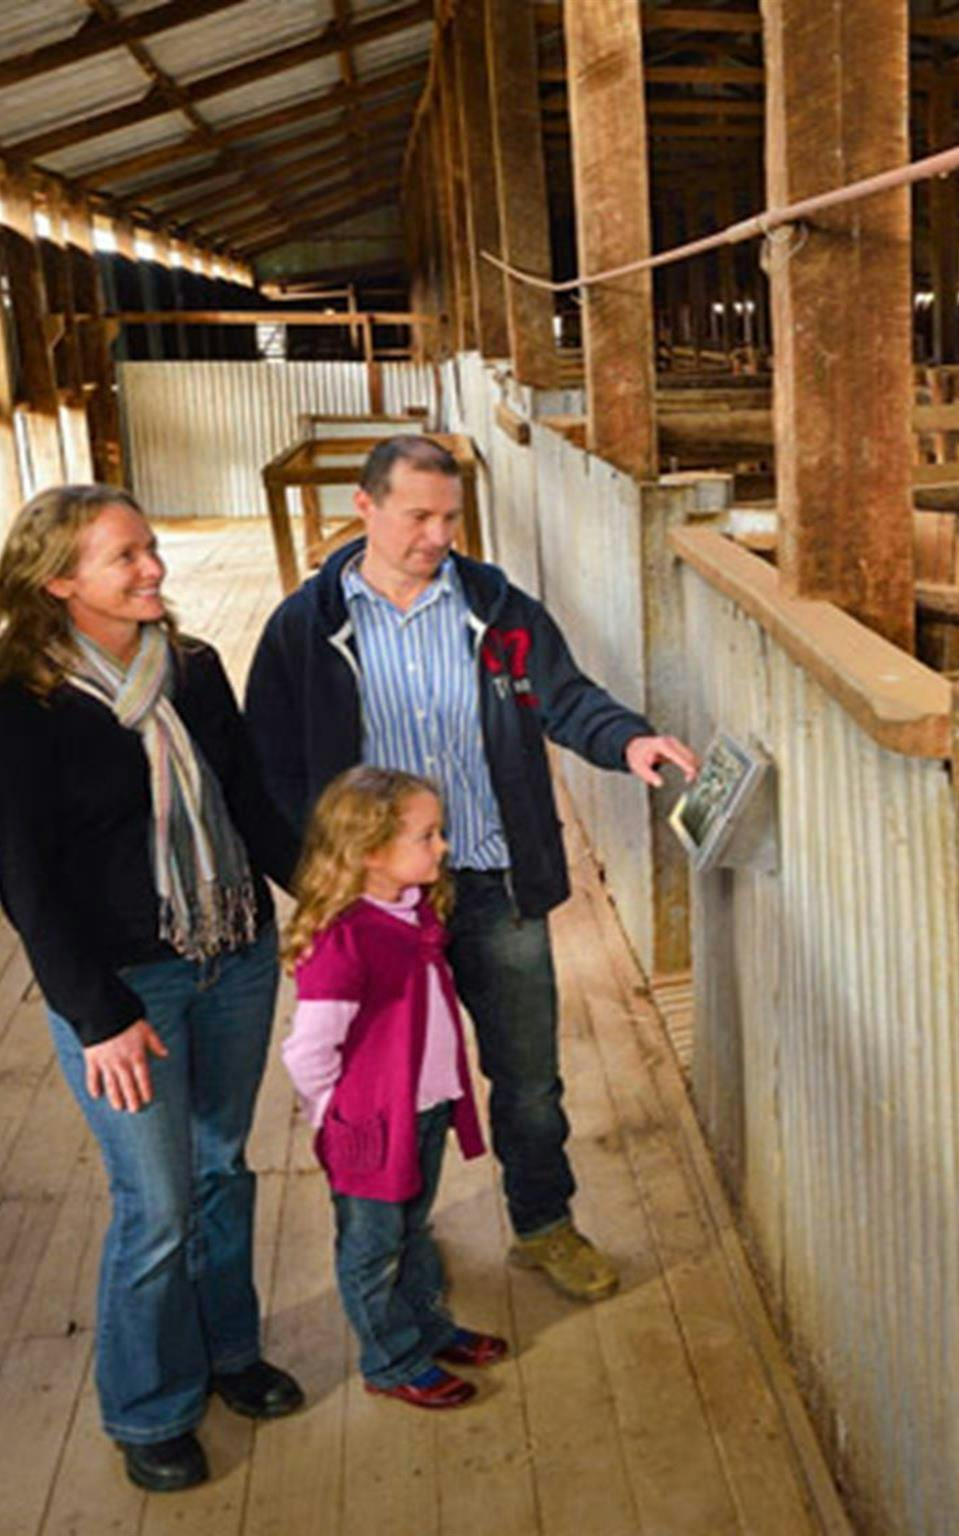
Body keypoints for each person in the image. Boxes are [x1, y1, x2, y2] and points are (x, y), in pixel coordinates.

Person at [245, 436, 697, 1302]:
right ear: (365, 508)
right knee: (390, 1089)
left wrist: (629, 738)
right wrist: (321, 888)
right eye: (417, 515)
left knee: (527, 1079)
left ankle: (543, 1224)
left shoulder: (494, 605)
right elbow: (263, 765)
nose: (436, 534)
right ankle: (400, 1245)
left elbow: (566, 699)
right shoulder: (306, 628)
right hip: (377, 905)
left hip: (491, 877)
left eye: (449, 516)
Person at [0, 486, 305, 1493]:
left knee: (221, 1167)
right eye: (124, 558)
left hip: (232, 953)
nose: (152, 571)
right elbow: (25, 880)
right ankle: (148, 1406)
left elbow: (249, 804)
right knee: (158, 1203)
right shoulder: (19, 700)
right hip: (126, 985)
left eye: (151, 550)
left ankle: (228, 1353)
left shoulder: (193, 668)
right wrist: (99, 1016)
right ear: (58, 581)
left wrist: (331, 896)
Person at [280, 767, 508, 1409]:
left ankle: (429, 1329)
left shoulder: (409, 909)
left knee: (412, 1228)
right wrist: (335, 1113)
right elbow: (308, 1050)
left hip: (422, 1108)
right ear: (370, 852)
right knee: (373, 1247)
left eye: (439, 834)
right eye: (427, 836)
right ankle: (391, 1359)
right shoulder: (345, 940)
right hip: (372, 1125)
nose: (441, 848)